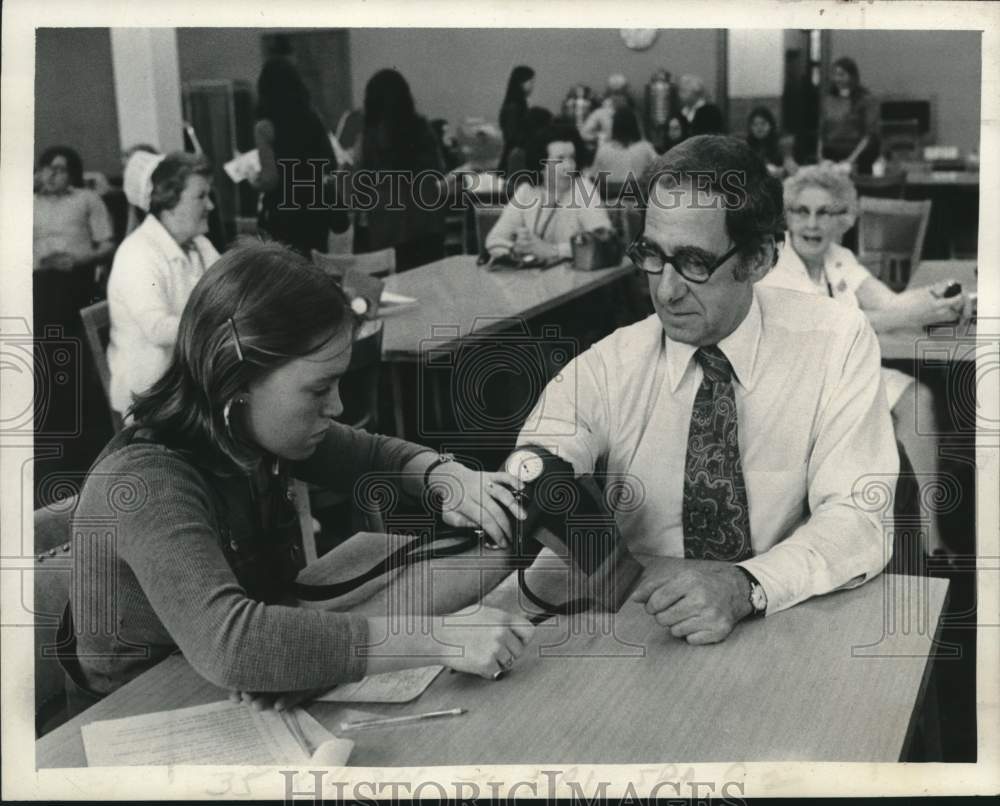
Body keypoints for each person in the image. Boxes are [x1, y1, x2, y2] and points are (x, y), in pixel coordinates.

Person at [63, 241, 535, 712]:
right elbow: (233, 645)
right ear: (239, 381)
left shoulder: (241, 428)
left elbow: (372, 455)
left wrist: (445, 475)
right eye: (318, 389)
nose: (338, 407)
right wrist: (438, 638)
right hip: (139, 711)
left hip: (229, 685)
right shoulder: (149, 483)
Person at [504, 135, 897, 643]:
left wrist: (746, 585)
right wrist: (543, 482)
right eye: (652, 255)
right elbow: (533, 464)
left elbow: (857, 516)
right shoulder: (614, 361)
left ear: (758, 260)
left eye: (694, 262)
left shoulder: (836, 341)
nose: (665, 291)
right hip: (643, 619)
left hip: (785, 615)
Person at [759, 164, 967, 555]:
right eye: (801, 211)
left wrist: (937, 298)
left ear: (843, 220)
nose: (812, 223)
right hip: (800, 387)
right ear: (787, 217)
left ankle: (932, 543)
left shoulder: (839, 257)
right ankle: (879, 549)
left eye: (825, 213)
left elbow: (890, 303)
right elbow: (838, 325)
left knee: (917, 399)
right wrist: (919, 314)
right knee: (879, 423)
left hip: (848, 372)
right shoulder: (775, 265)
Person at [107, 152, 220, 416]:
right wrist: (220, 322)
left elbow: (231, 287)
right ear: (168, 203)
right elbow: (158, 329)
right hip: (151, 392)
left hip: (189, 379)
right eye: (201, 196)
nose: (211, 206)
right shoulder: (138, 253)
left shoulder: (198, 243)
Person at [253, 57, 349, 256]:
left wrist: (255, 180)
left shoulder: (265, 127)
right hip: (316, 209)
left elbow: (271, 179)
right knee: (313, 272)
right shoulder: (313, 118)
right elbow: (330, 163)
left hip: (284, 213)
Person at [359, 68, 449, 270]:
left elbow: (362, 180)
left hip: (387, 226)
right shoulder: (421, 128)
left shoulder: (371, 135)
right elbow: (438, 171)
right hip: (426, 221)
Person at [485, 122, 611, 263]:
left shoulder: (583, 189)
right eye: (560, 160)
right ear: (541, 165)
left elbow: (604, 241)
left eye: (572, 158)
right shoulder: (527, 191)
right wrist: (516, 250)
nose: (569, 167)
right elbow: (494, 240)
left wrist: (553, 251)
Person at [33, 145, 114, 274]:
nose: (51, 175)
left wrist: (79, 260)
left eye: (59, 170)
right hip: (37, 277)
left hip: (77, 273)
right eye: (47, 168)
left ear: (71, 175)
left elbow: (107, 246)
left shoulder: (87, 198)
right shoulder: (29, 203)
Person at [820, 57, 880, 174]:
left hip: (857, 155)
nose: (837, 79)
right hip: (831, 155)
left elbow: (869, 135)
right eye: (835, 75)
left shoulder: (865, 99)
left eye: (841, 75)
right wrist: (821, 158)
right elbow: (822, 132)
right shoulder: (829, 99)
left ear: (852, 76)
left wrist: (850, 161)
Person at [591, 107, 657, 187]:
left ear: (614, 126)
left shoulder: (603, 150)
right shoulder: (646, 148)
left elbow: (593, 179)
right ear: (635, 125)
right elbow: (661, 171)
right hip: (638, 198)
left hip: (609, 198)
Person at [497, 65, 536, 174]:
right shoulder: (514, 106)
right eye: (531, 82)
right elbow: (512, 135)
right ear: (521, 83)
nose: (532, 86)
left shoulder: (516, 104)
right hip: (515, 159)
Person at [745, 107, 785, 176]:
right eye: (755, 124)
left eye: (763, 123)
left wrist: (782, 171)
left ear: (771, 125)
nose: (759, 128)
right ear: (750, 127)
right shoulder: (746, 146)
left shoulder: (779, 144)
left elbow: (789, 168)